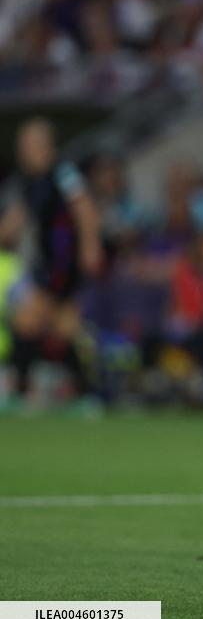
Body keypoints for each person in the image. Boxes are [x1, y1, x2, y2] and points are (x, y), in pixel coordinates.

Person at [0, 118, 103, 406]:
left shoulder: (63, 172)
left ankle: (21, 390)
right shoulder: (30, 181)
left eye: (29, 146)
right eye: (21, 147)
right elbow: (15, 218)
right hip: (49, 265)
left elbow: (84, 207)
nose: (23, 152)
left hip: (66, 265)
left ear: (45, 147)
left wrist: (91, 246)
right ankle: (85, 393)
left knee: (36, 323)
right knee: (48, 326)